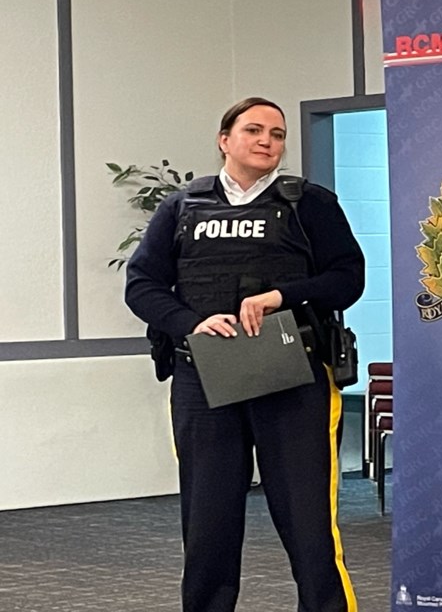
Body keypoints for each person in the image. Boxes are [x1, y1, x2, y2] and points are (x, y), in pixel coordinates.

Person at [125, 96, 364, 612]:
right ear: (224, 139)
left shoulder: (310, 204)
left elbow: (348, 279)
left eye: (277, 135)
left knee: (309, 524)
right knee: (207, 523)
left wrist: (284, 296)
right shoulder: (182, 206)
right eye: (254, 131)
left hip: (292, 378)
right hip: (204, 381)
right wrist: (190, 323)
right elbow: (142, 285)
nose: (267, 142)